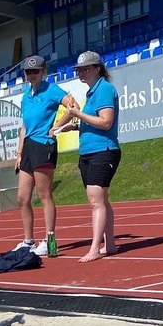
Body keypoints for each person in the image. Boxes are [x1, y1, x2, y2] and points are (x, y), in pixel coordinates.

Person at [52, 50, 121, 262]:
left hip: (103, 150)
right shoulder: (92, 92)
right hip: (89, 151)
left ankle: (94, 248)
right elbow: (95, 122)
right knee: (101, 200)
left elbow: (106, 122)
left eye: (85, 69)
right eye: (79, 70)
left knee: (95, 200)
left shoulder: (104, 89)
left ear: (97, 69)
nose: (81, 73)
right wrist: (74, 126)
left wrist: (77, 114)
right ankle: (109, 244)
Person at [13, 55, 76, 256]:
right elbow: (24, 126)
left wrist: (56, 126)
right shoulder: (26, 96)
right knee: (22, 198)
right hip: (28, 147)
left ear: (44, 72)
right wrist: (19, 153)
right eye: (28, 72)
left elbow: (73, 107)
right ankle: (28, 241)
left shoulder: (52, 90)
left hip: (44, 145)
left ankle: (50, 239)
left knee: (44, 195)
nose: (32, 75)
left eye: (36, 71)